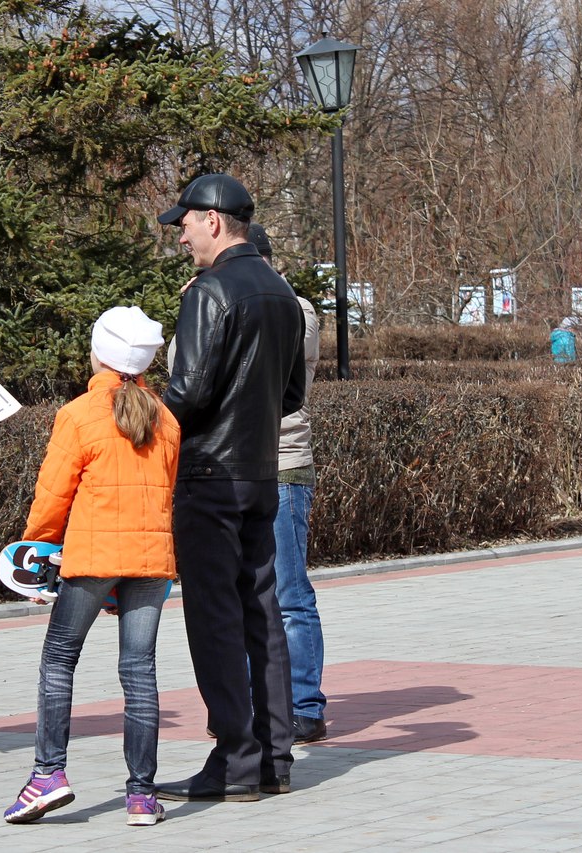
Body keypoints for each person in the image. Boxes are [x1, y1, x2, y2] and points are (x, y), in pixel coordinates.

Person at [153, 174, 306, 803]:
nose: (181, 233)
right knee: (260, 611)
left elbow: (185, 394)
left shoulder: (211, 291)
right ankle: (273, 755)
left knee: (213, 617)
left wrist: (140, 432)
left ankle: (236, 758)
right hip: (260, 474)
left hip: (209, 477)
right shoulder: (281, 293)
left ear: (214, 221)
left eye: (185, 221)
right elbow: (292, 395)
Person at [3, 306, 180, 827]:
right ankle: (142, 796)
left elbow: (53, 495)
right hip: (151, 563)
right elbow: (168, 492)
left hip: (92, 557)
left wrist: (33, 551)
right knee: (139, 672)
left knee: (59, 660)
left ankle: (47, 776)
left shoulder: (78, 414)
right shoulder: (166, 418)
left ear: (100, 352)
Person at [250, 224, 328, 744]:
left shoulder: (292, 309)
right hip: (245, 467)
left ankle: (305, 705)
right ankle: (260, 704)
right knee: (251, 593)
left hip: (281, 466)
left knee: (290, 593)